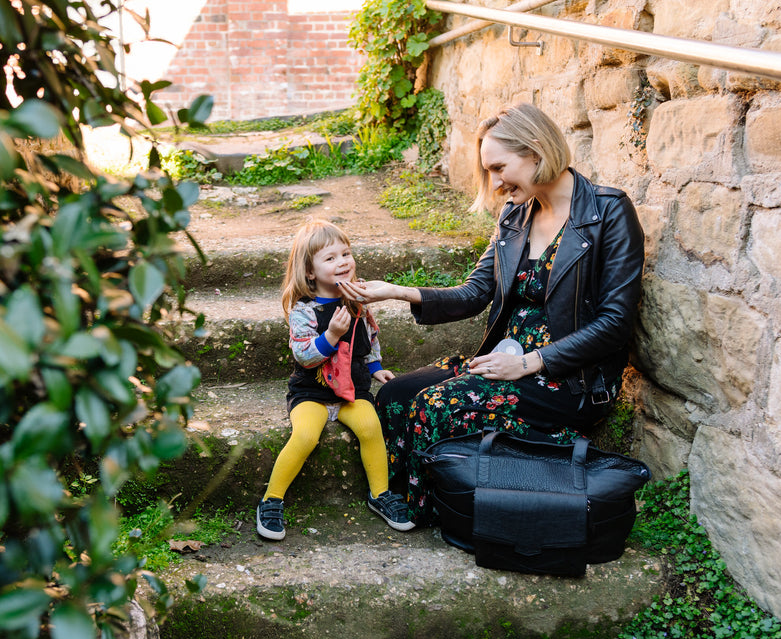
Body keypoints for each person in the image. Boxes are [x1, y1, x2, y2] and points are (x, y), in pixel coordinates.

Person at [337, 103, 645, 525]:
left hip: (567, 379)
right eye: (490, 172)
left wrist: (526, 363)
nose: (496, 184)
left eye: (500, 168)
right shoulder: (515, 216)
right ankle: (400, 496)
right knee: (392, 396)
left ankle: (430, 509)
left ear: (536, 151)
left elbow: (614, 323)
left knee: (435, 405)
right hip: (503, 359)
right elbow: (477, 291)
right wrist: (396, 291)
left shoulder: (608, 212)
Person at [256, 220, 416, 540]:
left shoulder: (358, 298)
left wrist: (375, 368)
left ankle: (380, 494)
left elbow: (369, 336)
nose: (342, 261)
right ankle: (271, 500)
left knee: (371, 428)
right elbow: (304, 355)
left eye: (346, 253)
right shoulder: (305, 309)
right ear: (310, 271)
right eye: (330, 258)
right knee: (305, 436)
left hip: (352, 390)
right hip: (312, 391)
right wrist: (331, 335)